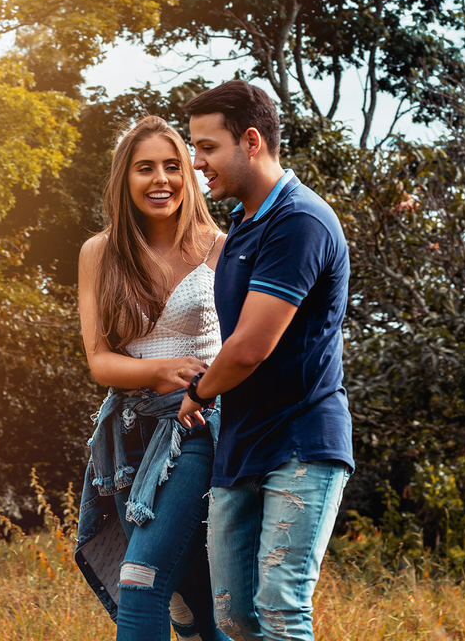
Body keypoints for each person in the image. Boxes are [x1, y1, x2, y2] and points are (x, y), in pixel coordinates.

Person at [177, 80, 353, 641]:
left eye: (207, 147)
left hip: (301, 441)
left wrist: (199, 392)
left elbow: (250, 346)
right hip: (242, 442)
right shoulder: (243, 228)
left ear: (250, 141)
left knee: (280, 605)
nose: (196, 162)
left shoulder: (300, 221)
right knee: (233, 616)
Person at [74, 115, 231, 641]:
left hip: (196, 427)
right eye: (145, 168)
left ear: (188, 174)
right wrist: (159, 370)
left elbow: (244, 347)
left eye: (172, 166)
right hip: (129, 433)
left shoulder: (221, 248)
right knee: (191, 592)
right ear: (125, 178)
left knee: (140, 579)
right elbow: (100, 360)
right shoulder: (101, 252)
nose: (160, 179)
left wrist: (192, 385)